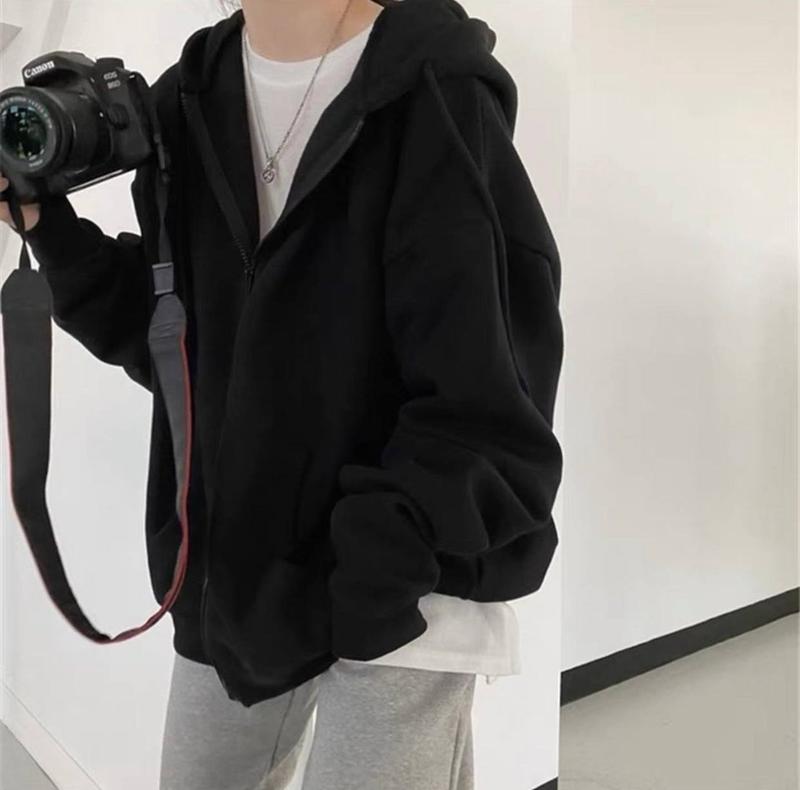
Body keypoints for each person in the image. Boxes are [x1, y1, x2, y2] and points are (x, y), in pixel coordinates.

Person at [0, 0, 564, 787]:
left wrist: (374, 568)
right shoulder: (184, 102)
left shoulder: (438, 92)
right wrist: (49, 231)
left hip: (408, 589)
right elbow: (178, 343)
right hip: (241, 578)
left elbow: (491, 393)